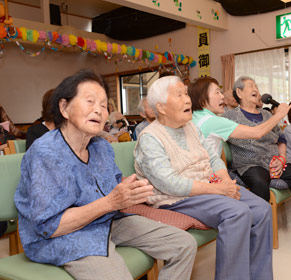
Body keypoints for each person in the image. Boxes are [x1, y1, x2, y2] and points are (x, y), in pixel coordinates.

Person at [14, 70, 197, 280]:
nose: (99, 111)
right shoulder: (45, 153)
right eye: (90, 101)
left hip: (106, 220)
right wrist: (112, 201)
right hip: (61, 236)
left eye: (103, 105)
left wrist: (130, 188)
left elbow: (112, 190)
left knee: (184, 244)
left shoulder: (101, 146)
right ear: (64, 107)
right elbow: (49, 226)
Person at [135, 76, 273, 280]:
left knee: (262, 209)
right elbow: (170, 184)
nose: (187, 99)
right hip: (175, 198)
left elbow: (213, 158)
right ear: (161, 107)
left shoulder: (191, 127)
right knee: (237, 212)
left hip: (208, 187)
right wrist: (219, 189)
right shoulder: (150, 138)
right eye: (179, 95)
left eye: (186, 93)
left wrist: (225, 181)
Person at [222, 77, 291, 254]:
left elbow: (281, 138)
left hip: (274, 159)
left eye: (257, 86)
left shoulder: (267, 114)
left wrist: (282, 158)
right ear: (239, 92)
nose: (256, 89)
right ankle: (257, 235)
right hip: (249, 163)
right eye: (251, 86)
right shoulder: (229, 117)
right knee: (260, 184)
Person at [190, 76, 290, 157]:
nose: (222, 96)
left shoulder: (194, 117)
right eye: (217, 92)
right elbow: (257, 132)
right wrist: (279, 114)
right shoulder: (213, 121)